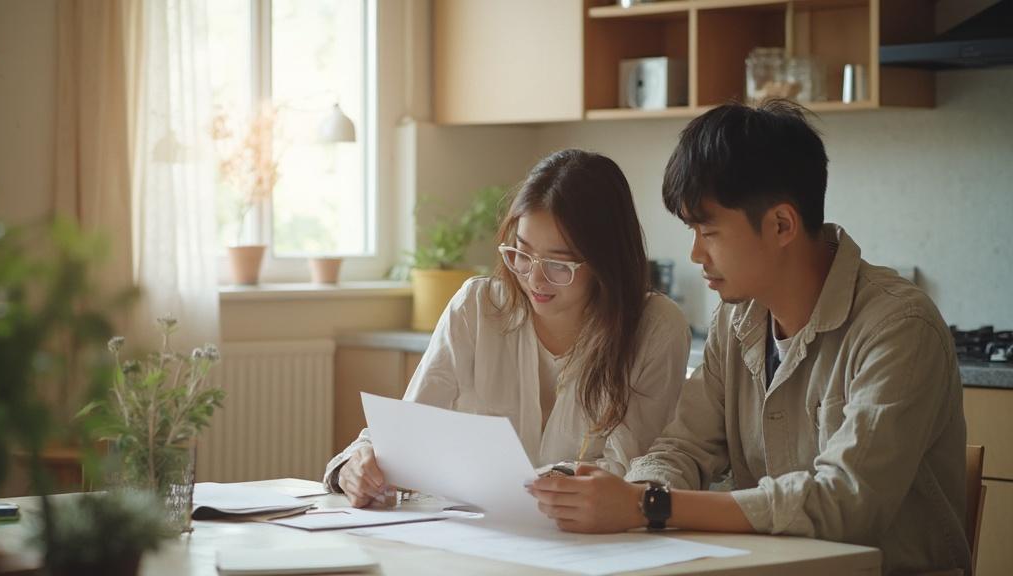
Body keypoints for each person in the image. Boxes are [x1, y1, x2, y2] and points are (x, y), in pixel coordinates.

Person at [529, 102, 969, 576]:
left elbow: (845, 503)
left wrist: (649, 506)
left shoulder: (898, 327)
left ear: (782, 224)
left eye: (709, 232)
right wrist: (634, 491)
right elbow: (681, 448)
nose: (696, 253)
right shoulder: (735, 322)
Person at [324, 148, 691, 509]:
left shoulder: (655, 328)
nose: (534, 278)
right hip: (477, 536)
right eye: (521, 252)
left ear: (605, 262)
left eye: (558, 265)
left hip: (591, 546)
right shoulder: (479, 307)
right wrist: (356, 465)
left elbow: (630, 475)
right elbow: (409, 433)